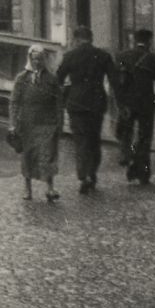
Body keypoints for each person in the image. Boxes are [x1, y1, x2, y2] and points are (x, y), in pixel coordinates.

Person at [56, 24, 119, 194]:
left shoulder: (69, 56)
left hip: (76, 102)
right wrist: (118, 104)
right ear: (91, 38)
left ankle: (83, 175)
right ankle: (92, 173)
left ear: (76, 39)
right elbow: (115, 80)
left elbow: (58, 79)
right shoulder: (103, 55)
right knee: (94, 138)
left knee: (80, 139)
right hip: (97, 101)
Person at [115, 29, 155, 184]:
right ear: (149, 42)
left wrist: (119, 103)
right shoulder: (154, 59)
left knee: (125, 133)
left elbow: (116, 84)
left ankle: (130, 158)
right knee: (145, 137)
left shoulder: (122, 56)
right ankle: (142, 172)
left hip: (127, 103)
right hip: (146, 103)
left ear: (134, 40)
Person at [8, 44, 61, 202]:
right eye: (34, 59)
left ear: (44, 60)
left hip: (47, 123)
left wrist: (59, 123)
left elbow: (58, 103)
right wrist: (13, 123)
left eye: (40, 59)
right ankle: (27, 188)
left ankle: (50, 188)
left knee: (48, 154)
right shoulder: (22, 79)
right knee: (28, 155)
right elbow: (14, 102)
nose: (37, 62)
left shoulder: (51, 79)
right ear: (30, 59)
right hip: (27, 123)